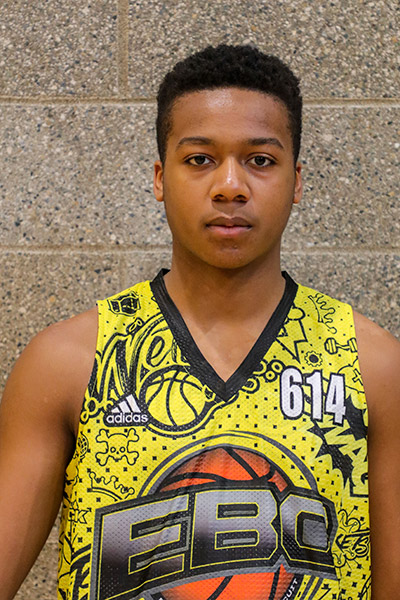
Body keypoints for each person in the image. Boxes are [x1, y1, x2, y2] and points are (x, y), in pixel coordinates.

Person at [0, 44, 399, 600]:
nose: (230, 185)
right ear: (160, 178)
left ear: (297, 181)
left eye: (260, 160)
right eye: (200, 159)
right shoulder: (68, 362)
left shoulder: (372, 365)